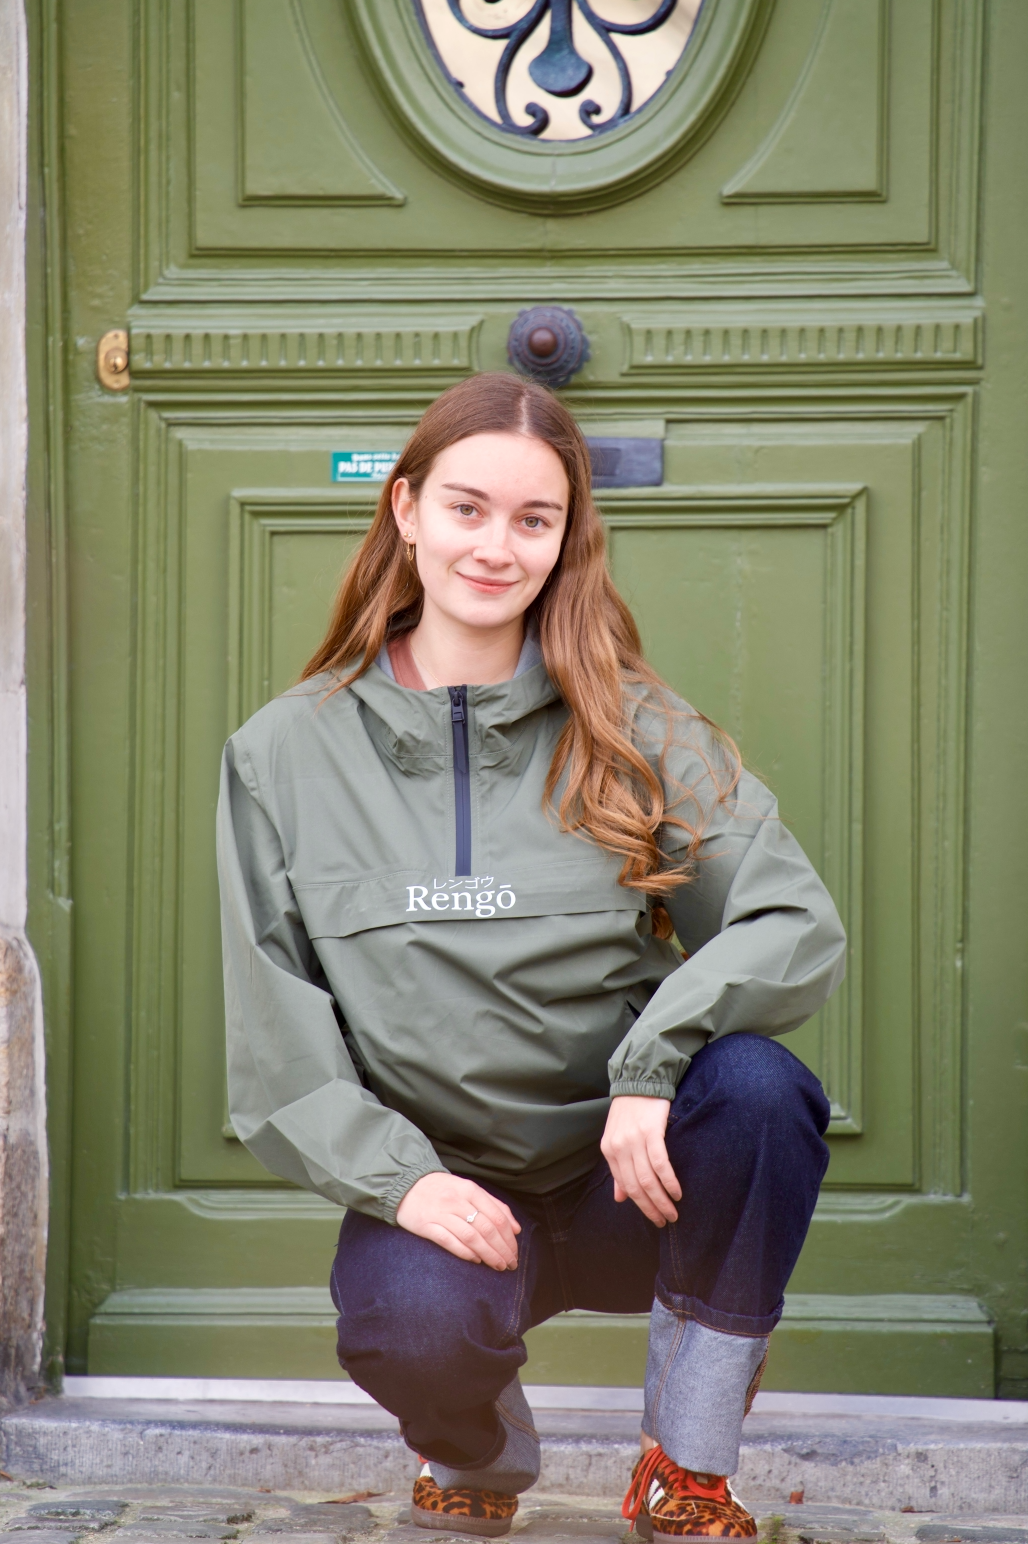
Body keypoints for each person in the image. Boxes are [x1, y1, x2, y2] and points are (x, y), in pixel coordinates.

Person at [217, 373, 846, 1542]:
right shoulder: (283, 753)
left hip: (629, 1177)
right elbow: (277, 1044)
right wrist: (405, 1181)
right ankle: (475, 1451)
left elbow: (791, 921)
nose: (495, 546)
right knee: (406, 1322)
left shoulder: (634, 723)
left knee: (760, 1088)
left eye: (532, 518)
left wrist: (650, 1066)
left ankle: (684, 1462)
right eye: (466, 507)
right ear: (406, 508)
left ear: (565, 538)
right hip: (448, 1191)